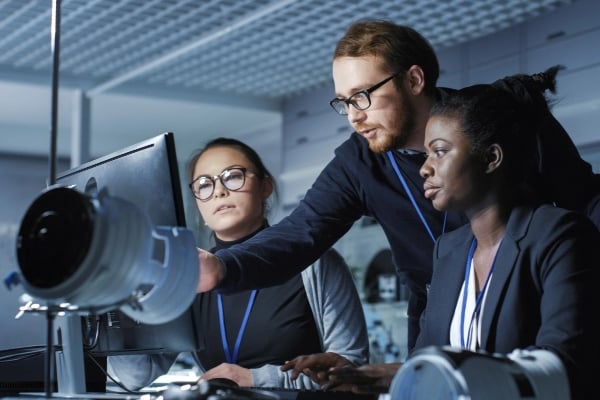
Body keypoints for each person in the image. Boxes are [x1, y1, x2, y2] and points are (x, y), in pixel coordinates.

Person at [197, 19, 600, 358]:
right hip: (436, 320)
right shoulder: (359, 162)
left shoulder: (497, 119)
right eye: (344, 102)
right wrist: (223, 267)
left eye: (363, 96)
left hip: (528, 303)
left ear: (414, 79)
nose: (354, 116)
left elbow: (584, 201)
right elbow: (301, 232)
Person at [313, 68, 600, 399]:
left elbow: (563, 367)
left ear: (491, 157)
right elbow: (427, 360)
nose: (424, 167)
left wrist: (429, 371)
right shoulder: (449, 251)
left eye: (439, 151)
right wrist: (378, 378)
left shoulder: (560, 235)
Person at [107, 137, 369, 390]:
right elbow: (133, 377)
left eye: (232, 176)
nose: (219, 191)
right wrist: (115, 299)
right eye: (204, 185)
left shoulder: (316, 264)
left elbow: (351, 369)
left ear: (266, 187)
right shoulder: (191, 275)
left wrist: (257, 379)